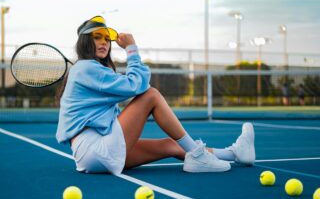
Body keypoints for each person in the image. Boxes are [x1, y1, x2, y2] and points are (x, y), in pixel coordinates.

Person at [56, 15, 255, 175]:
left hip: (93, 153)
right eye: (97, 37)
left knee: (170, 145)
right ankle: (197, 154)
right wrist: (132, 50)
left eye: (107, 38)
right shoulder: (85, 68)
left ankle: (234, 153)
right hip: (95, 148)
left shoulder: (88, 70)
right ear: (85, 42)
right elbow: (137, 86)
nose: (104, 42)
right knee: (151, 95)